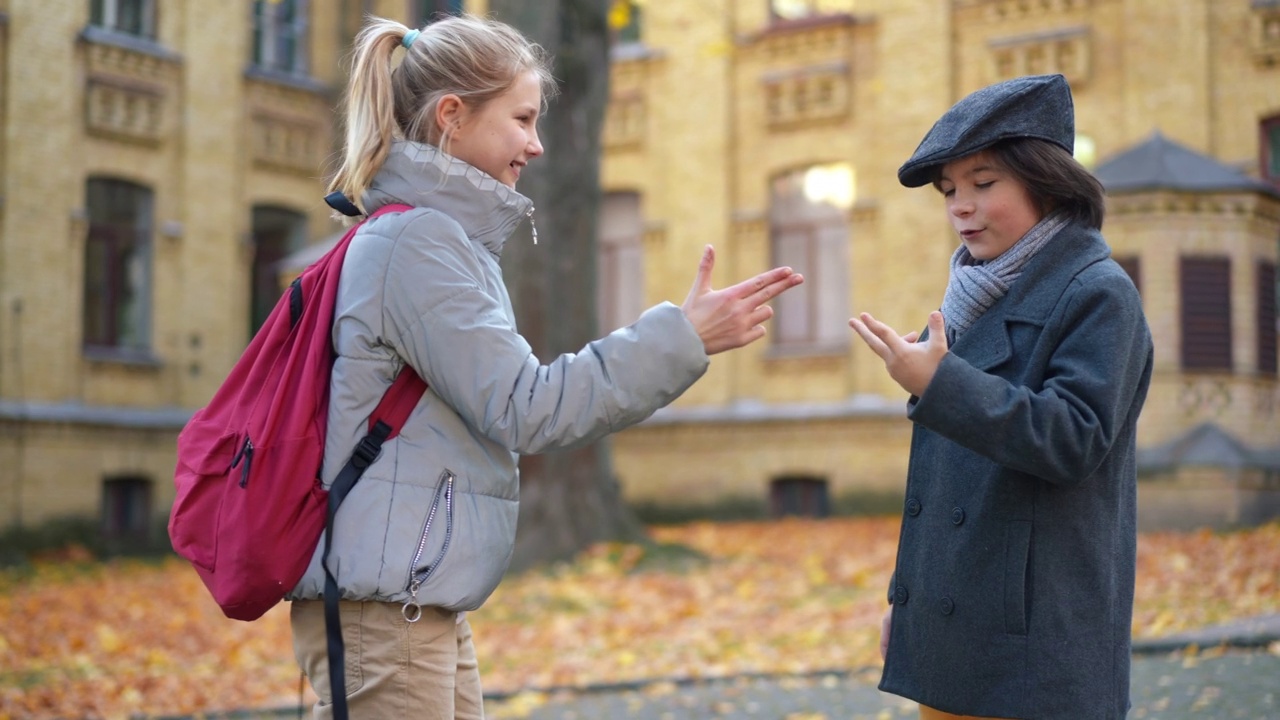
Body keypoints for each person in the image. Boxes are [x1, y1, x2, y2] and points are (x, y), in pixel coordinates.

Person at [283, 13, 804, 720]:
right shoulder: (418, 244)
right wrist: (682, 338)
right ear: (452, 116)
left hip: (414, 602)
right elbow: (529, 405)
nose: (536, 143)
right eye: (522, 118)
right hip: (384, 612)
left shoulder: (437, 239)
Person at [848, 73, 1152, 720]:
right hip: (956, 638)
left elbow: (1072, 439)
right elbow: (947, 485)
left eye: (984, 184)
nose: (961, 205)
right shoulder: (978, 293)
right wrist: (909, 605)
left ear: (1046, 182)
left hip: (1035, 651)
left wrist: (940, 385)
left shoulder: (1098, 293)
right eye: (950, 190)